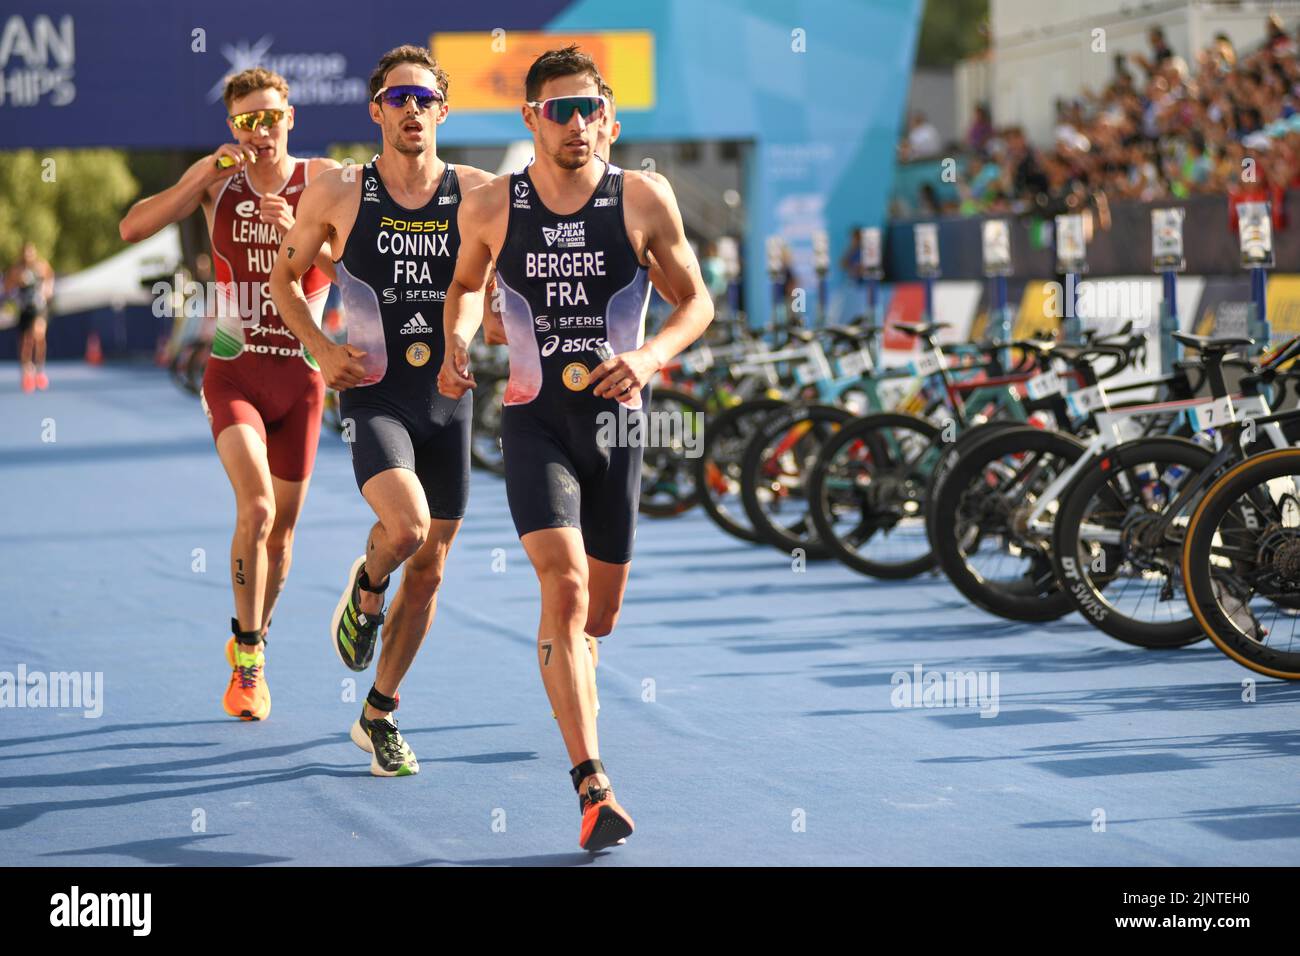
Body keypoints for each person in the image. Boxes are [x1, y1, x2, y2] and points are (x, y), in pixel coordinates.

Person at [438, 44, 714, 849]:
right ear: (531, 119)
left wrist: (651, 356)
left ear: (610, 119)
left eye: (589, 109)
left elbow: (696, 304)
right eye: (559, 110)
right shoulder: (493, 206)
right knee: (562, 590)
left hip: (618, 426)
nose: (577, 124)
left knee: (602, 612)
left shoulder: (643, 198)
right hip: (535, 420)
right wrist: (461, 338)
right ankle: (592, 784)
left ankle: (575, 674)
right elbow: (462, 286)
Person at [269, 45, 495, 776]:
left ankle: (379, 715)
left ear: (443, 111)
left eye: (424, 99)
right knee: (407, 527)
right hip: (373, 390)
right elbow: (283, 281)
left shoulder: (479, 192)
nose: (412, 110)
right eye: (398, 99)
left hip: (447, 399)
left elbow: (498, 282)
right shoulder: (338, 191)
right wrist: (318, 351)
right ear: (376, 112)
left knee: (429, 572)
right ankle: (366, 589)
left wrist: (469, 338)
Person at [119, 67, 338, 721]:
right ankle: (247, 661)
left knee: (284, 536)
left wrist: (298, 233)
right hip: (235, 371)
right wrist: (197, 178)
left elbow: (352, 270)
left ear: (290, 118)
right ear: (232, 129)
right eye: (247, 121)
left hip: (300, 379)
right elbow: (133, 228)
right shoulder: (221, 182)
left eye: (271, 117)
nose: (261, 131)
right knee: (259, 510)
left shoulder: (325, 181)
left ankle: (256, 637)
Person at [7, 242, 54, 392]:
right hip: (25, 309)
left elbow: (50, 277)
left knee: (38, 334)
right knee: (26, 341)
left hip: (39, 308)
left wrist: (47, 290)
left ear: (34, 253)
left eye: (31, 253)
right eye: (26, 253)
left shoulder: (41, 266)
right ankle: (27, 371)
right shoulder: (17, 270)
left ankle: (40, 369)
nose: (29, 256)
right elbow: (7, 287)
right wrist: (16, 286)